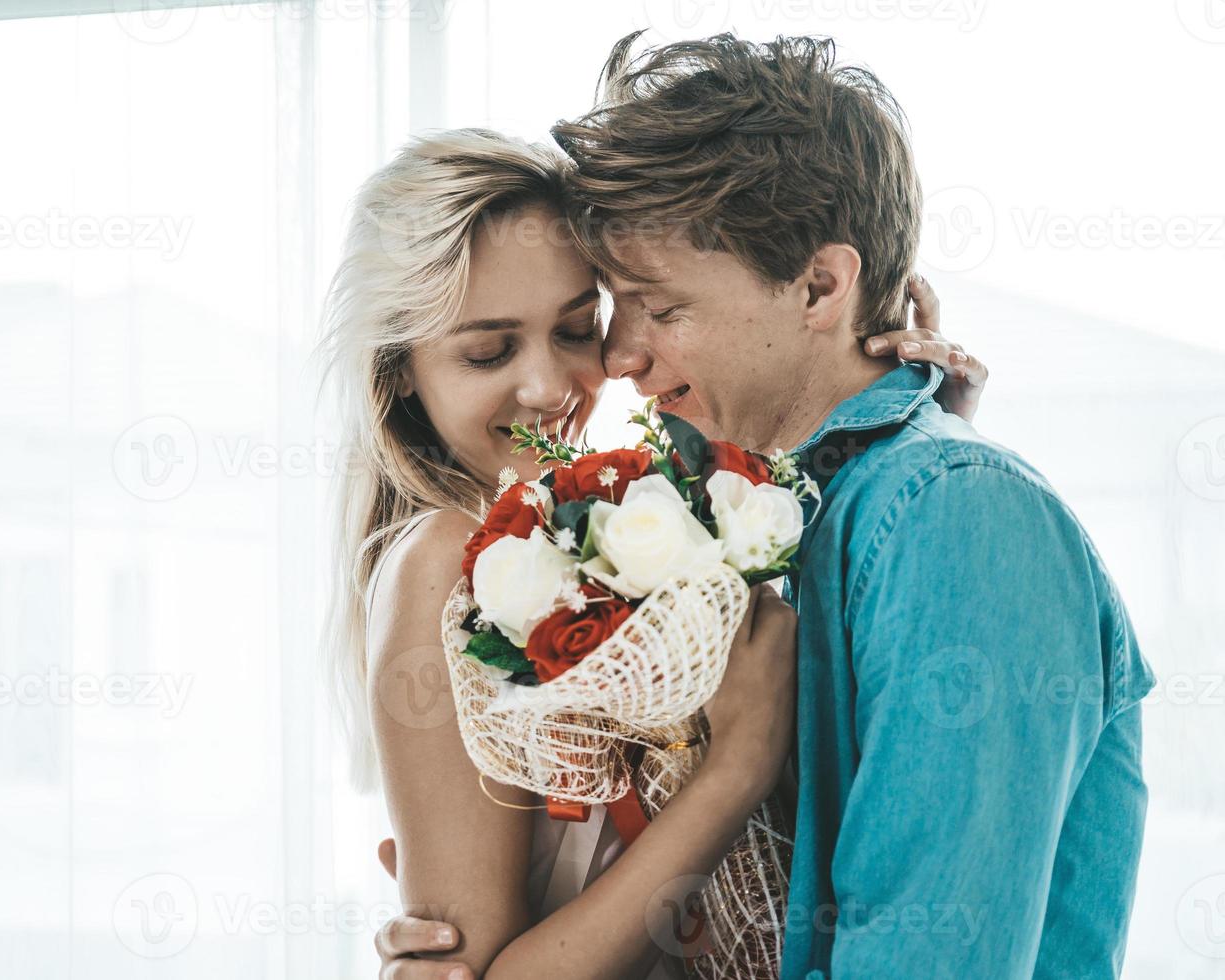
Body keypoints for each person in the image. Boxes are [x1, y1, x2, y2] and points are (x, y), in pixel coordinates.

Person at [376, 33, 1154, 979]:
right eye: (612, 314)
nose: (616, 362)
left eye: (659, 309)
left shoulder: (956, 516)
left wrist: (939, 481)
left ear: (822, 286)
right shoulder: (777, 513)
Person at [318, 122, 988, 979]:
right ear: (400, 367)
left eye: (572, 330)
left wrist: (903, 428)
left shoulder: (607, 509)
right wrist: (733, 769)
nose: (551, 387)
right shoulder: (440, 561)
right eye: (488, 351)